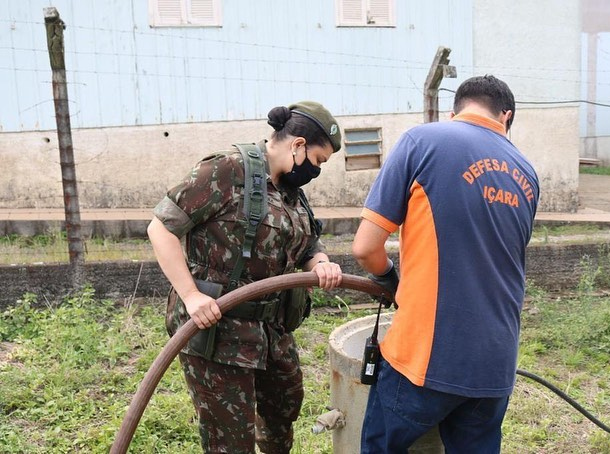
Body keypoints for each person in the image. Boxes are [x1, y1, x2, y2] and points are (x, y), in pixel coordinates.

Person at [352, 75, 540, 453]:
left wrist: (391, 278)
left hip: (424, 356)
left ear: (455, 111)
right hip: (496, 360)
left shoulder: (422, 141)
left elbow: (365, 248)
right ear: (507, 117)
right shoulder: (528, 173)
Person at [147, 101, 344, 453]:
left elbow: (307, 244)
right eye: (318, 160)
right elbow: (161, 229)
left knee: (283, 412)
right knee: (230, 439)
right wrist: (191, 296)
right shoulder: (226, 170)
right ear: (298, 145)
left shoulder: (291, 190)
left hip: (271, 330)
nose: (317, 170)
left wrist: (321, 263)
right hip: (219, 333)